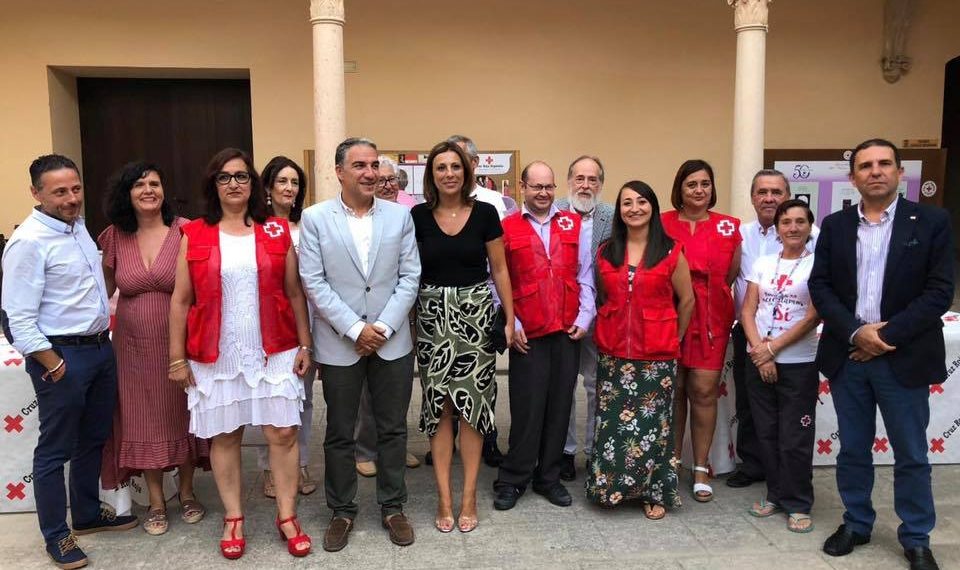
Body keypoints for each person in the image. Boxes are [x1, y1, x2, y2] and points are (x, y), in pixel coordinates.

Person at [810, 139, 953, 570]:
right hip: (849, 357)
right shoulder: (834, 226)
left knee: (911, 452)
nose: (875, 171)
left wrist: (883, 336)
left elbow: (940, 291)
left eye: (884, 164)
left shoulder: (931, 221)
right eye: (865, 166)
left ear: (899, 172)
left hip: (902, 357)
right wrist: (856, 333)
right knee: (853, 447)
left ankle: (916, 537)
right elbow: (821, 287)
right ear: (853, 177)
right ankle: (856, 522)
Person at [168, 148, 313, 559]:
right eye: (224, 177)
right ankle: (233, 517)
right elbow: (180, 300)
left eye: (242, 176)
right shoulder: (193, 233)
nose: (234, 183)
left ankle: (287, 515)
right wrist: (176, 357)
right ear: (213, 186)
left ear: (254, 185)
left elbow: (294, 293)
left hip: (275, 348)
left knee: (283, 432)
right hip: (216, 352)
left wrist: (306, 344)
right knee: (225, 434)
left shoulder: (275, 232)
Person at [2, 154, 137, 569]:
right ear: (36, 194)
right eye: (59, 191)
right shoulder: (28, 242)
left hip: (99, 348)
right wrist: (53, 363)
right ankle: (57, 537)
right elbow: (17, 318)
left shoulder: (77, 228)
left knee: (92, 439)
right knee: (54, 450)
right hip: (62, 356)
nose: (71, 198)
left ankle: (86, 514)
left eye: (75, 189)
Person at [298, 137, 421, 551]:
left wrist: (382, 326)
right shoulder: (316, 218)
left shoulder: (399, 217)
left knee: (392, 429)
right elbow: (314, 281)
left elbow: (410, 276)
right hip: (339, 343)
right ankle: (342, 511)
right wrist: (354, 329)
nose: (370, 174)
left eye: (374, 166)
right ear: (339, 172)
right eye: (360, 166)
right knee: (339, 432)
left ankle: (393, 507)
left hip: (392, 341)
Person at [98, 161, 208, 536]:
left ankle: (188, 492)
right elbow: (103, 291)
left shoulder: (186, 231)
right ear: (126, 194)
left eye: (155, 183)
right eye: (140, 185)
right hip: (130, 349)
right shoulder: (114, 236)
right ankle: (158, 502)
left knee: (184, 413)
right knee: (142, 417)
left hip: (180, 342)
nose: (149, 190)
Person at [412, 141, 514, 533]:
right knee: (439, 409)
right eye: (441, 167)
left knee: (472, 410)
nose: (449, 173)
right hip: (433, 317)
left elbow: (500, 269)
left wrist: (509, 318)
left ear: (467, 172)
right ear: (431, 174)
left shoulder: (486, 213)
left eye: (456, 166)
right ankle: (443, 496)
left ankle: (469, 494)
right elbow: (409, 272)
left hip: (475, 315)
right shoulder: (417, 216)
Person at [585, 181, 694, 519]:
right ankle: (609, 488)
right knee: (613, 425)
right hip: (614, 353)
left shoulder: (671, 250)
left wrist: (673, 338)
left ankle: (654, 492)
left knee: (653, 428)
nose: (634, 208)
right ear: (618, 211)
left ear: (653, 207)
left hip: (656, 356)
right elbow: (605, 295)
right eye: (627, 203)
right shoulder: (606, 251)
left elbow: (687, 300)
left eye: (641, 201)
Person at [493, 160, 596, 511]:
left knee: (560, 406)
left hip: (567, 330)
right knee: (527, 407)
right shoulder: (506, 227)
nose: (543, 193)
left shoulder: (574, 223)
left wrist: (585, 316)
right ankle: (513, 478)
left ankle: (548, 477)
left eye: (549, 187)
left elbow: (585, 274)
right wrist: (512, 323)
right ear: (523, 187)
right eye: (536, 186)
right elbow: (497, 280)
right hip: (527, 332)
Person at [728, 169, 819, 489]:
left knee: (791, 414)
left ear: (788, 195)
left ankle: (789, 477)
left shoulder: (813, 236)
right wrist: (760, 349)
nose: (769, 198)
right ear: (752, 197)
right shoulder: (740, 233)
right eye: (762, 192)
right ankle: (754, 465)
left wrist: (774, 347)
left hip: (795, 338)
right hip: (749, 332)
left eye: (776, 192)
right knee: (751, 405)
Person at [661, 159, 741, 503]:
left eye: (705, 183)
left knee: (704, 390)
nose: (698, 190)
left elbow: (732, 274)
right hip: (671, 313)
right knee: (675, 388)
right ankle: (672, 461)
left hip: (711, 317)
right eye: (691, 183)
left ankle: (701, 465)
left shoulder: (729, 226)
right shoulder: (661, 223)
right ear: (679, 187)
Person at [740, 199, 821, 533]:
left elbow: (814, 314)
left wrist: (772, 349)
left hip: (798, 362)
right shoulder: (762, 262)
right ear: (777, 229)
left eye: (800, 222)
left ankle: (798, 502)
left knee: (795, 436)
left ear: (809, 227)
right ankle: (775, 493)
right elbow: (747, 310)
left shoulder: (817, 264)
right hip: (758, 359)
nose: (793, 228)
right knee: (767, 432)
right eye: (786, 222)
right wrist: (761, 351)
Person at [441, 134, 508, 467]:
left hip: (484, 302)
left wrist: (503, 311)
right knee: (446, 379)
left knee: (481, 381)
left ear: (474, 163)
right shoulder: (431, 205)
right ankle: (446, 442)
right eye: (448, 163)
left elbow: (500, 261)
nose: (455, 169)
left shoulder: (493, 203)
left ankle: (489, 439)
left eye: (462, 160)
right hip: (443, 306)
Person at [255, 156, 319, 499]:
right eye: (282, 181)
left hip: (306, 318)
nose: (289, 188)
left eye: (295, 182)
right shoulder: (255, 227)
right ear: (267, 187)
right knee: (270, 398)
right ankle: (270, 467)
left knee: (302, 397)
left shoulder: (308, 226)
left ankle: (302, 461)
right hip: (268, 321)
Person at [354, 155, 421, 479]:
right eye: (381, 180)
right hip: (364, 319)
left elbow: (411, 272)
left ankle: (394, 445)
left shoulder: (406, 215)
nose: (388, 185)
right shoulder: (357, 219)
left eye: (393, 179)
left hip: (403, 314)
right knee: (368, 389)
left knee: (398, 387)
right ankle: (366, 449)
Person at [555, 155, 615, 481]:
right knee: (565, 386)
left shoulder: (613, 216)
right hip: (564, 317)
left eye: (593, 179)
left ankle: (594, 451)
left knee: (596, 386)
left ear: (601, 184)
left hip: (602, 316)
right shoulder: (554, 211)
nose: (586, 185)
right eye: (580, 178)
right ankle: (565, 452)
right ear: (569, 180)